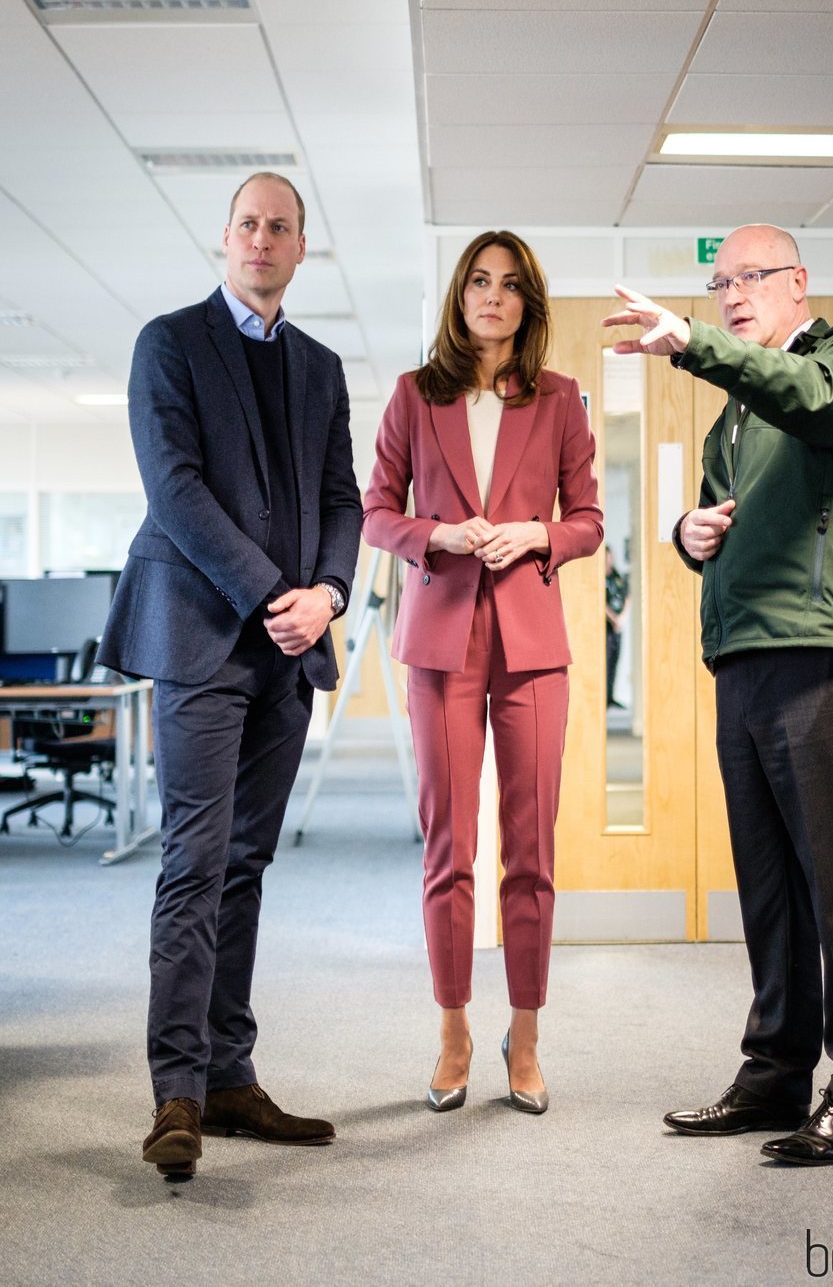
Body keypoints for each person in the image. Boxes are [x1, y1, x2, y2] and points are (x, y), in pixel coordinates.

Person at [603, 224, 833, 1166]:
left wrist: (691, 341)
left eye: (750, 278)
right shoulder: (732, 412)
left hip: (821, 657)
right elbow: (715, 521)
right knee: (769, 889)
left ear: (798, 284)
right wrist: (684, 534)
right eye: (719, 283)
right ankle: (776, 1073)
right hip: (742, 662)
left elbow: (807, 398)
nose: (732, 293)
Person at [99, 173, 362, 1177]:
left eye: (280, 227)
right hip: (203, 637)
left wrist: (328, 594)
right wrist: (271, 594)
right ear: (226, 240)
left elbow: (341, 497)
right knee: (194, 858)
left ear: (302, 249)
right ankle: (175, 1093)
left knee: (246, 863)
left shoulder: (320, 366)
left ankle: (227, 1074)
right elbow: (174, 490)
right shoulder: (168, 343)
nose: (262, 238)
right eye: (248, 224)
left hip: (289, 647)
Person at [363, 230, 602, 1115]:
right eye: (477, 282)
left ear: (526, 304)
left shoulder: (563, 399)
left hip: (534, 643)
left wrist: (538, 534)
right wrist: (438, 535)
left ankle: (526, 1036)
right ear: (459, 297)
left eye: (508, 285)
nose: (491, 297)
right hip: (439, 639)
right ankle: (455, 1030)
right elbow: (376, 511)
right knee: (449, 847)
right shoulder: (413, 398)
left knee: (530, 849)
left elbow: (587, 519)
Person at [604, 547, 629, 708]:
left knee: (614, 661)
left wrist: (621, 619)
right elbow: (601, 601)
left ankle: (611, 696)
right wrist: (613, 619)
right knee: (605, 662)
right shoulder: (599, 578)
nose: (609, 560)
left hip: (617, 628)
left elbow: (627, 597)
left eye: (610, 557)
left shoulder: (617, 576)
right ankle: (604, 697)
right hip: (605, 627)